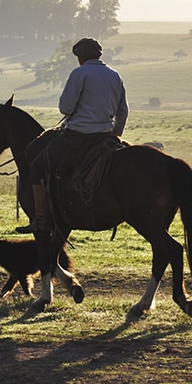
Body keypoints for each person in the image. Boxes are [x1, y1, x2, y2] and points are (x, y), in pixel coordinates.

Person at [27, 37, 129, 237]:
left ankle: (42, 218)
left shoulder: (80, 73)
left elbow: (65, 107)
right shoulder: (115, 75)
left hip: (77, 135)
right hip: (106, 136)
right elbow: (123, 111)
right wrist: (114, 135)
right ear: (99, 55)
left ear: (80, 57)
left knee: (37, 165)